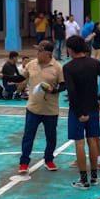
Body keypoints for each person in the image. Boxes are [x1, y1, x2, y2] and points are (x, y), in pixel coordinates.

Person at [63, 35, 100, 189]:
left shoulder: (68, 67)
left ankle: (83, 180)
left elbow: (71, 91)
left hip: (77, 110)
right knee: (92, 141)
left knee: (79, 143)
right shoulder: (94, 63)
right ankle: (95, 177)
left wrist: (78, 113)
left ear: (71, 49)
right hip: (93, 108)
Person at [18, 41, 66, 174]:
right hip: (33, 108)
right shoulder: (31, 64)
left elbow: (64, 85)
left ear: (47, 54)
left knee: (51, 136)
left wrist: (54, 90)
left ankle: (49, 159)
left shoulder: (57, 67)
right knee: (28, 136)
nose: (37, 53)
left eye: (39, 51)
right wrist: (6, 77)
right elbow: (20, 78)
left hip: (50, 110)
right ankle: (24, 162)